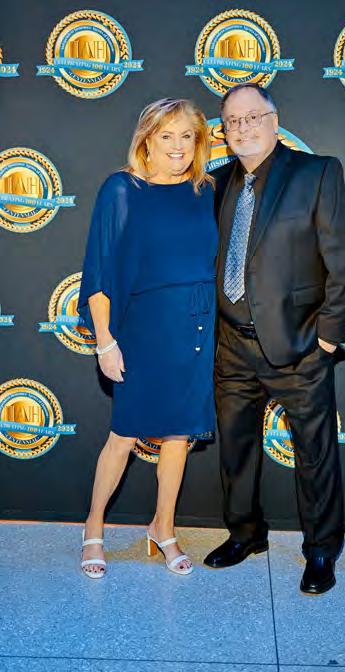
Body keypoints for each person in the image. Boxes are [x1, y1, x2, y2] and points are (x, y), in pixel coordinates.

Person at [204, 84, 345, 595]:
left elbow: (344, 259)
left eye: (253, 116)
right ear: (223, 131)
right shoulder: (215, 183)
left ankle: (321, 550)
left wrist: (328, 338)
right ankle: (245, 533)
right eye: (232, 120)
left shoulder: (317, 173)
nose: (243, 127)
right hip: (232, 345)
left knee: (315, 455)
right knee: (235, 449)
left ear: (274, 120)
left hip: (299, 346)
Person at [77, 98, 217, 578]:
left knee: (178, 435)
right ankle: (94, 526)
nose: (178, 146)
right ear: (147, 140)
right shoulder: (121, 189)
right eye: (166, 135)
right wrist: (105, 340)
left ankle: (164, 527)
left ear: (198, 142)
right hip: (141, 328)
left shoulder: (205, 190)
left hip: (195, 325)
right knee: (124, 433)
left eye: (187, 136)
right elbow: (99, 270)